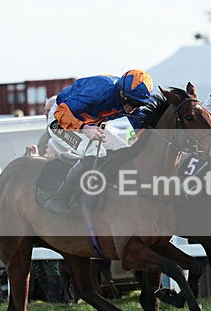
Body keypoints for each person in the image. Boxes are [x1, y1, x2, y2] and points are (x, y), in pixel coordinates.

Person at [43, 69, 154, 214]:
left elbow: (143, 128)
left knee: (124, 152)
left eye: (138, 104)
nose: (133, 109)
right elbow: (61, 113)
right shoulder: (100, 90)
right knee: (96, 152)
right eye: (132, 103)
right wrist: (84, 128)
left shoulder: (131, 98)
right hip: (60, 121)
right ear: (121, 93)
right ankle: (58, 198)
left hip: (90, 124)